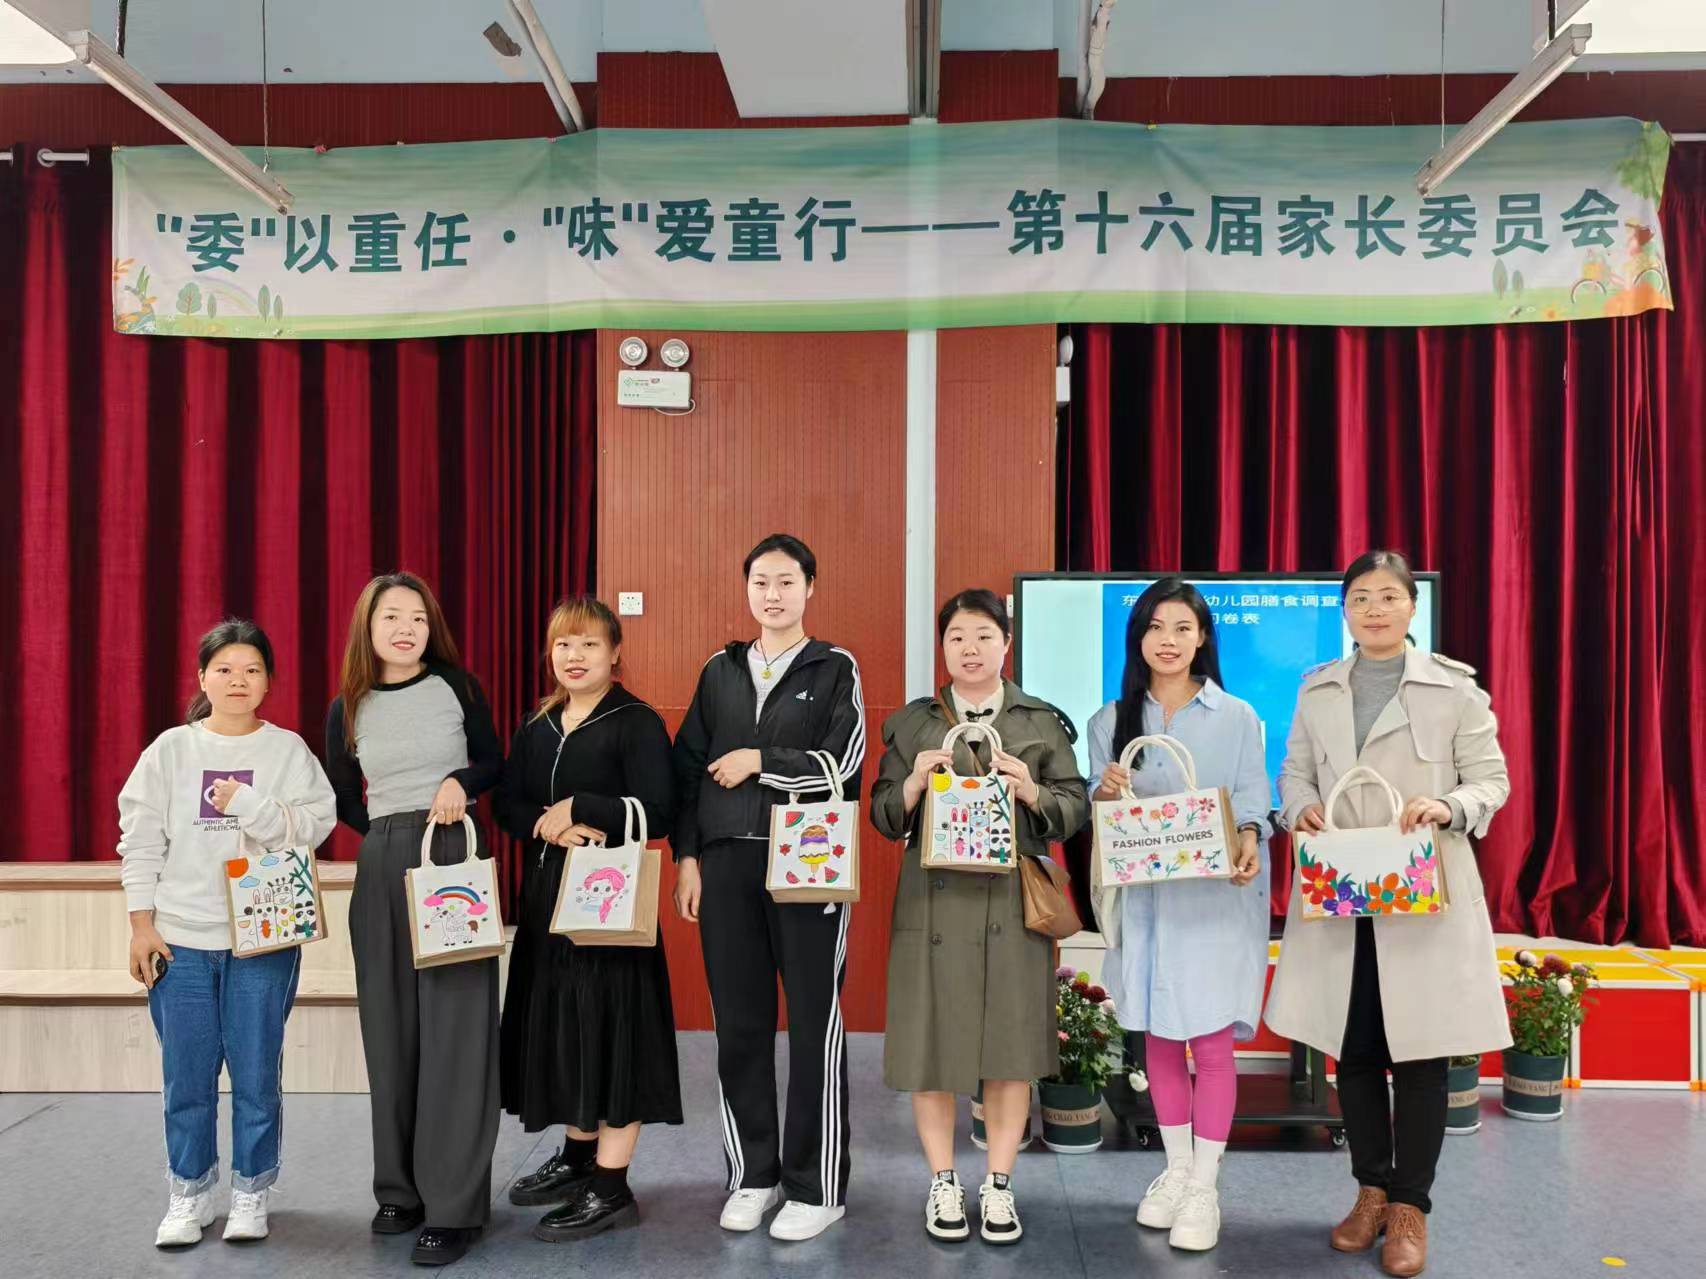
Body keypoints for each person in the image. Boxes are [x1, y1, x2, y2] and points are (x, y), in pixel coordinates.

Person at [1265, 550, 1511, 1279]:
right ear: (1345, 610)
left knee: (1423, 1053)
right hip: (1343, 886)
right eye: (1361, 598)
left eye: (1388, 596)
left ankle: (1410, 1207)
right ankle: (1370, 1190)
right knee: (1357, 1049)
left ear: (1411, 606)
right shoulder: (1318, 688)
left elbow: (1490, 780)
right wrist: (1299, 805)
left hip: (1421, 890)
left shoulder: (1454, 688)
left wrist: (1449, 805)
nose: (1374, 609)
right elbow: (1295, 770)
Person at [871, 589, 1089, 1247]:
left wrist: (1033, 791)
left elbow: (1074, 808)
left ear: (1006, 644)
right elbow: (882, 812)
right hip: (932, 901)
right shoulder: (912, 723)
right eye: (957, 637)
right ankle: (942, 1180)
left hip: (1011, 904)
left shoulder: (1040, 721)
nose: (970, 649)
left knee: (1009, 1049)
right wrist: (913, 783)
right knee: (929, 1046)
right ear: (942, 647)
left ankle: (998, 1182)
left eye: (984, 636)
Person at [671, 533, 866, 1241]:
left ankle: (818, 1186)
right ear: (747, 588)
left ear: (810, 587)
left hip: (808, 861)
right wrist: (686, 857)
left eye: (786, 581)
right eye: (760, 581)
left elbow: (844, 762)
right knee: (739, 1023)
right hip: (725, 863)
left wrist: (761, 760)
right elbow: (687, 769)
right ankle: (754, 1175)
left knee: (815, 1022)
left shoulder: (835, 666)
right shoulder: (719, 669)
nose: (773, 594)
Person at [118, 619, 336, 1249]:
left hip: (263, 939)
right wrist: (141, 925)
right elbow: (140, 841)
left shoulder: (287, 752)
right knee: (185, 1077)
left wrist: (246, 805)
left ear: (268, 681)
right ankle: (188, 1194)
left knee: (256, 1073)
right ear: (202, 678)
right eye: (225, 669)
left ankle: (250, 1191)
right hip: (180, 938)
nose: (238, 681)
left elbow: (314, 827)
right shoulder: (170, 751)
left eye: (252, 670)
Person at [324, 572, 504, 1268]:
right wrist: (386, 830)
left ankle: (454, 1205)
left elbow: (494, 761)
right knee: (389, 1024)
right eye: (392, 617)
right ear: (367, 628)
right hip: (382, 858)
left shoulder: (458, 687)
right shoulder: (347, 705)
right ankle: (399, 1188)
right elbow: (343, 794)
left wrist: (459, 782)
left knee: (456, 1028)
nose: (406, 629)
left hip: (451, 850)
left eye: (418, 618)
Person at [1086, 577, 1271, 1252]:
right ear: (1138, 637)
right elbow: (1100, 812)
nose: (1168, 640)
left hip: (1213, 902)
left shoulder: (1236, 715)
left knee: (1211, 1044)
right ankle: (1177, 1169)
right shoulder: (1111, 720)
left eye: (1182, 628)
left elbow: (1253, 799)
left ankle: (1205, 1187)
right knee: (1160, 1039)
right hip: (1147, 905)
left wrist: (1247, 836)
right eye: (1155, 627)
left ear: (1202, 639)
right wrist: (1106, 791)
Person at [496, 596, 679, 1242]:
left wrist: (583, 807)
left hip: (611, 904)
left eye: (589, 644)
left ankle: (611, 1184)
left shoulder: (637, 722)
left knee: (613, 1031)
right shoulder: (538, 723)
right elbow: (510, 803)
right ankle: (578, 1157)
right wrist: (547, 823)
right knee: (567, 1030)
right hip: (549, 901)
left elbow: (660, 812)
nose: (574, 657)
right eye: (563, 645)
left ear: (615, 652)